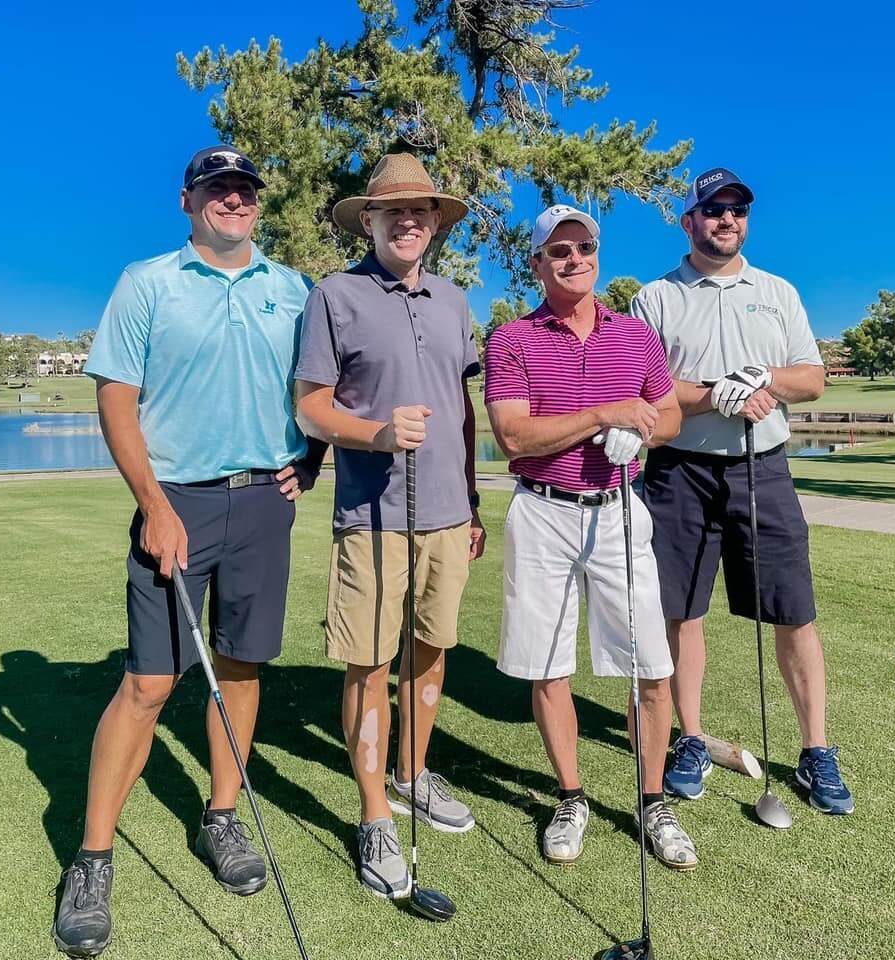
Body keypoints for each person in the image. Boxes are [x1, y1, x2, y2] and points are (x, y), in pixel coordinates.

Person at [52, 145, 326, 957]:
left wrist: (307, 462)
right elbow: (117, 400)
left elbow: (315, 392)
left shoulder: (291, 289)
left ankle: (222, 820)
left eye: (245, 191)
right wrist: (153, 505)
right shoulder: (149, 281)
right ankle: (93, 856)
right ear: (189, 201)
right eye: (218, 190)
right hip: (175, 504)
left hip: (261, 506)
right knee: (149, 682)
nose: (234, 201)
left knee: (240, 670)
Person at [631, 167, 854, 815]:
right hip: (679, 474)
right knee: (681, 612)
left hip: (764, 468)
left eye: (737, 210)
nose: (726, 220)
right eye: (713, 210)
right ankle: (692, 737)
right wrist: (711, 394)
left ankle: (815, 751)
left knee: (793, 610)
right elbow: (651, 392)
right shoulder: (657, 298)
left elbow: (811, 378)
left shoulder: (777, 292)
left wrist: (764, 379)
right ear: (689, 221)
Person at [294, 153, 486, 900]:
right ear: (368, 220)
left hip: (446, 513)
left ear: (435, 224)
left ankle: (412, 772)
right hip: (372, 517)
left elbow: (463, 413)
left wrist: (472, 503)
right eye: (392, 212)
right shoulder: (335, 296)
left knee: (432, 650)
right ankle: (375, 813)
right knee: (370, 664)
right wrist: (374, 435)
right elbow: (310, 406)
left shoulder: (456, 301)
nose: (409, 222)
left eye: (421, 212)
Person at [484, 204, 697, 871]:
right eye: (558, 251)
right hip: (543, 511)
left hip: (618, 508)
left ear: (596, 255)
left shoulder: (634, 335)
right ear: (537, 264)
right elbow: (515, 436)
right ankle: (571, 795)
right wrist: (606, 413)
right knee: (548, 664)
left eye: (583, 248)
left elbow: (666, 419)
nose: (573, 260)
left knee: (650, 666)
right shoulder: (512, 339)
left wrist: (643, 430)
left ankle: (653, 799)